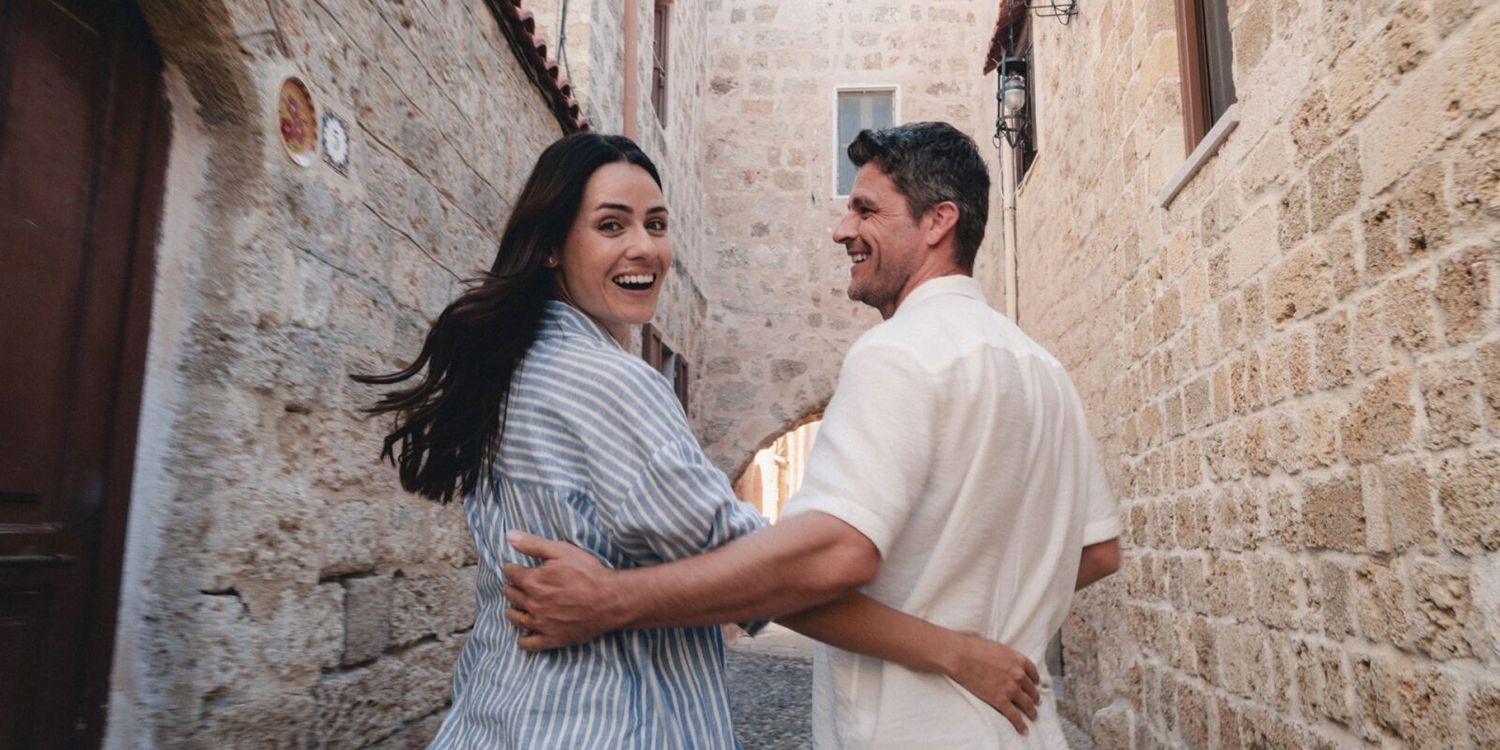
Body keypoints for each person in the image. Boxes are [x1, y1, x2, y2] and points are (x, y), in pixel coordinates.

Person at [354, 132, 1043, 750]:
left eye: (656, 224)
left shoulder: (518, 367)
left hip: (496, 718)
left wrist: (615, 594)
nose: (645, 248)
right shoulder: (607, 382)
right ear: (553, 246)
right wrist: (954, 652)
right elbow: (765, 575)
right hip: (604, 724)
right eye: (611, 225)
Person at [503, 122, 1124, 748]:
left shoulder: (895, 354)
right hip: (1024, 729)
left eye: (866, 210)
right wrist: (986, 599)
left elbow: (829, 557)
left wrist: (611, 599)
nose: (842, 229)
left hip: (911, 728)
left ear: (938, 222)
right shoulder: (1045, 371)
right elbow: (1098, 552)